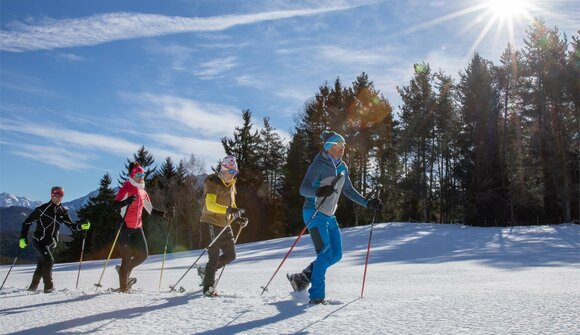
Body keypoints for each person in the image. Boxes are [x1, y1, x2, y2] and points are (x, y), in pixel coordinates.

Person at [287, 130, 383, 304]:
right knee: (324, 254)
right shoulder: (318, 165)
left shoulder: (342, 167)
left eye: (344, 146)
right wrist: (318, 191)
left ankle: (302, 278)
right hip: (313, 213)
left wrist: (368, 203)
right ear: (329, 147)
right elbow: (303, 189)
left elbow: (347, 190)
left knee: (336, 254)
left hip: (330, 215)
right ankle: (316, 297)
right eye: (339, 146)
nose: (342, 149)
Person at [19, 186, 91, 293]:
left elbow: (71, 226)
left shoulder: (63, 211)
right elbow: (27, 222)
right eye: (56, 196)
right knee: (49, 260)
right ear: (51, 196)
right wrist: (23, 238)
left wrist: (81, 227)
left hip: (52, 242)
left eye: (60, 196)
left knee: (42, 263)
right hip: (39, 240)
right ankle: (49, 287)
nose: (58, 198)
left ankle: (32, 287)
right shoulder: (42, 209)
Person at [198, 155, 247, 296]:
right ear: (224, 169)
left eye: (235, 172)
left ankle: (206, 271)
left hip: (225, 224)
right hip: (209, 223)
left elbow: (232, 205)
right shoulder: (213, 183)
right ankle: (208, 289)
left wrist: (238, 218)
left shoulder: (231, 185)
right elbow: (210, 205)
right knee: (213, 258)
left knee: (231, 255)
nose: (233, 175)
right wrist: (229, 211)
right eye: (231, 172)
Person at [113, 162, 166, 292]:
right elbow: (114, 206)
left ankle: (124, 271)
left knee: (143, 255)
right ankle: (123, 287)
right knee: (126, 257)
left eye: (142, 174)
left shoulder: (142, 191)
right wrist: (126, 201)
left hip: (137, 227)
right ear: (132, 175)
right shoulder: (126, 188)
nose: (141, 176)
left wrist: (165, 214)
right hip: (124, 226)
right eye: (138, 174)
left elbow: (150, 210)